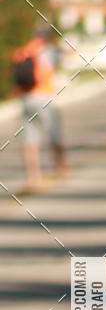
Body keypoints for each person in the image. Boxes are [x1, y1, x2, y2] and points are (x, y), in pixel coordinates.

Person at [12, 26, 68, 192]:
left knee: (30, 138)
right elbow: (64, 59)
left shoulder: (24, 51)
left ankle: (34, 176)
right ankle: (61, 168)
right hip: (44, 97)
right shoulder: (47, 51)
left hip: (26, 99)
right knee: (54, 133)